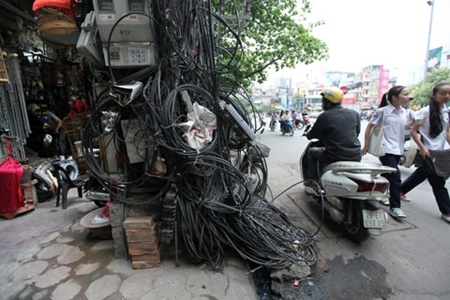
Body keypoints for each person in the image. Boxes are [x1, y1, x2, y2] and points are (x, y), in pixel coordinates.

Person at [400, 82, 450, 223]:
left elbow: (446, 132)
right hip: (427, 151)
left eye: (449, 93)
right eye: (443, 93)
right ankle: (447, 211)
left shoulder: (446, 111)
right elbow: (414, 130)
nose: (447, 96)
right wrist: (422, 148)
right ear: (433, 95)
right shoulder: (424, 112)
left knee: (422, 173)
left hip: (439, 152)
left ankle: (400, 190)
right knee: (438, 182)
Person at [362, 85, 411, 219]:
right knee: (396, 178)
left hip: (398, 149)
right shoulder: (383, 111)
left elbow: (404, 128)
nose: (408, 97)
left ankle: (379, 193)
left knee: (389, 176)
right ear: (394, 98)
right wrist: (366, 145)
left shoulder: (405, 112)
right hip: (386, 149)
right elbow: (369, 127)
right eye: (405, 94)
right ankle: (395, 207)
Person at [303, 87, 362, 183]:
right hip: (356, 154)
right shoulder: (354, 113)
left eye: (323, 101)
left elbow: (313, 134)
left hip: (334, 155)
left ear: (327, 102)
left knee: (311, 152)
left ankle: (315, 180)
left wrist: (307, 134)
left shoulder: (325, 116)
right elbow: (357, 132)